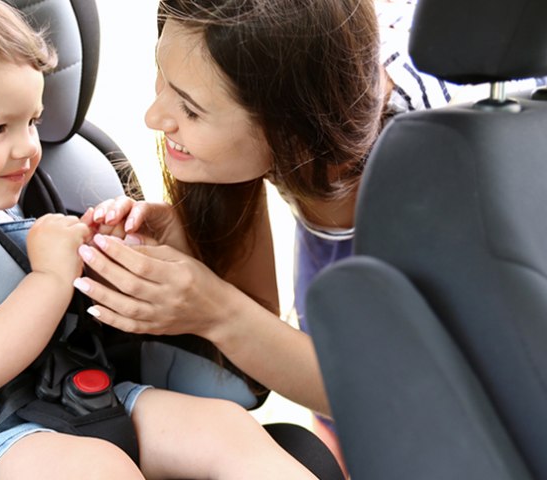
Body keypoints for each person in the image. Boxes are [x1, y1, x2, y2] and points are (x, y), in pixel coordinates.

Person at [0, 0, 318, 479]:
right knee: (99, 468)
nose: (28, 146)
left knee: (223, 428)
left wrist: (110, 254)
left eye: (31, 121)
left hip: (84, 394)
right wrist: (50, 276)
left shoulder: (20, 199)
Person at [73, 0, 497, 469]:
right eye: (163, 77)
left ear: (291, 130)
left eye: (190, 110)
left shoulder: (430, 179)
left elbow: (399, 400)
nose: (155, 117)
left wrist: (211, 309)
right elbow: (264, 332)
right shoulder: (292, 104)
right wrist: (193, 254)